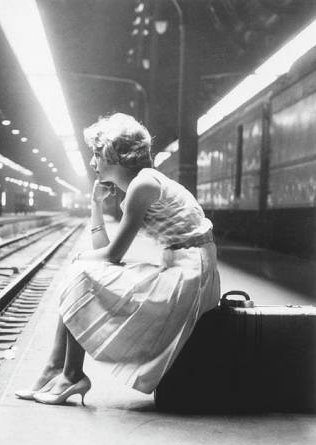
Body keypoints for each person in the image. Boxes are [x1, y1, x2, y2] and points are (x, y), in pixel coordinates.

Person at [16, 113, 220, 405]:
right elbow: (107, 251)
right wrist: (96, 206)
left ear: (116, 155)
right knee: (83, 271)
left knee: (82, 272)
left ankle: (70, 374)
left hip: (190, 276)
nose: (92, 162)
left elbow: (111, 254)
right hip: (182, 266)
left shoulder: (143, 186)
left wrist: (80, 259)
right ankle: (55, 372)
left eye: (97, 154)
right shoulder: (142, 184)